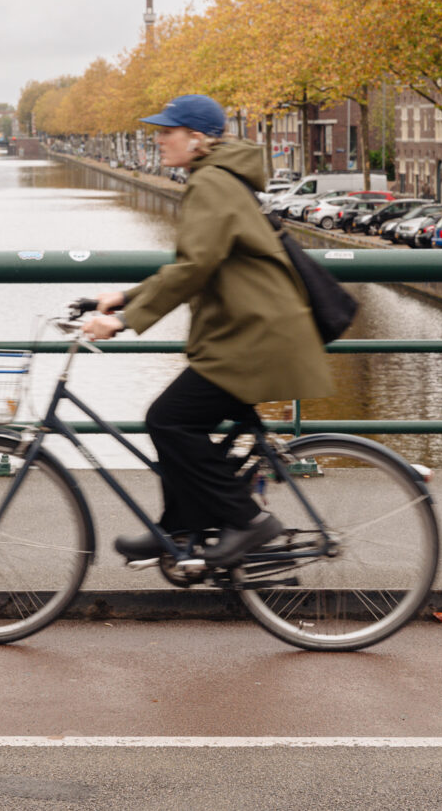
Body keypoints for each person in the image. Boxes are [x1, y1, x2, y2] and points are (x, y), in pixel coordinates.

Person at [81, 94, 334, 567]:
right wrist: (128, 297)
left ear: (196, 139)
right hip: (253, 333)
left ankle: (249, 523)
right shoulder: (219, 177)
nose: (158, 140)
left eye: (167, 131)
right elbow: (197, 262)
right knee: (183, 426)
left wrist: (121, 320)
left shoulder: (211, 184)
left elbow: (194, 267)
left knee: (167, 419)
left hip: (253, 339)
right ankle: (180, 529)